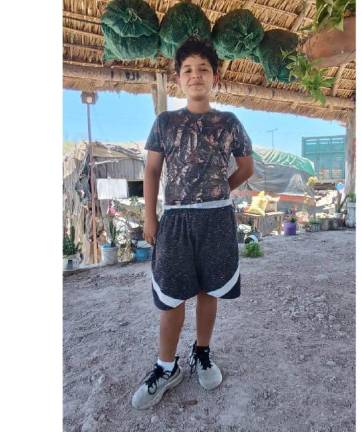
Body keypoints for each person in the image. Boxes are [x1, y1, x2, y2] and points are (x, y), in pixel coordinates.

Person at [131, 37, 255, 410]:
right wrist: (150, 216)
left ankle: (202, 351)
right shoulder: (165, 122)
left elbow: (246, 167)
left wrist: (221, 190)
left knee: (209, 290)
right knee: (171, 294)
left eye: (203, 69)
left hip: (217, 218)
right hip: (176, 220)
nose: (195, 75)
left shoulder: (229, 122)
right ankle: (166, 366)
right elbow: (152, 171)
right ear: (178, 79)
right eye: (187, 70)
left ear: (216, 76)